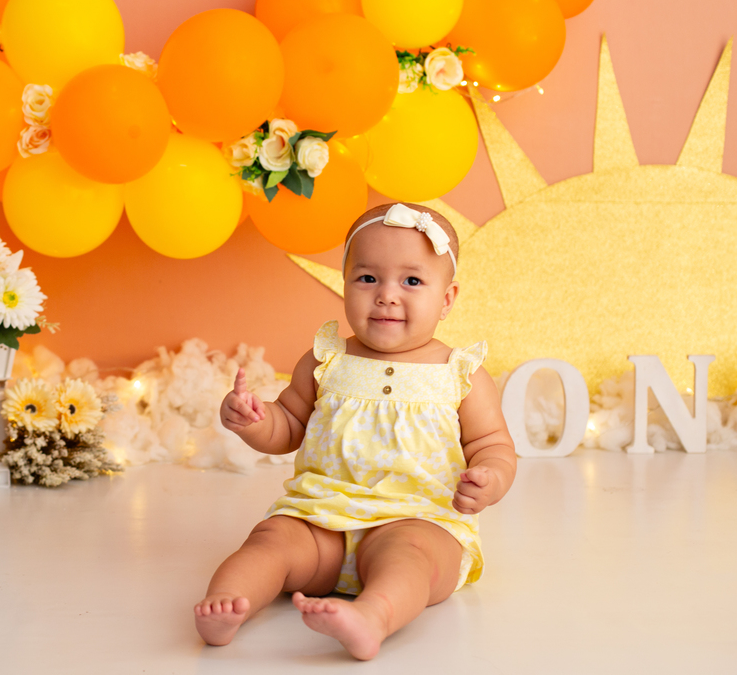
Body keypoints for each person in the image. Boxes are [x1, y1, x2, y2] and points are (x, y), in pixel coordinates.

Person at [194, 202, 517, 660]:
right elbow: (289, 425)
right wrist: (257, 420)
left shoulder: (458, 373)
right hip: (320, 519)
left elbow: (493, 444)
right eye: (367, 278)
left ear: (446, 299)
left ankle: (374, 616)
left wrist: (491, 477)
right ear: (345, 284)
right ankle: (229, 601)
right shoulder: (327, 360)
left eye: (411, 281)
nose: (386, 295)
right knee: (271, 539)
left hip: (418, 519)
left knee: (411, 560)